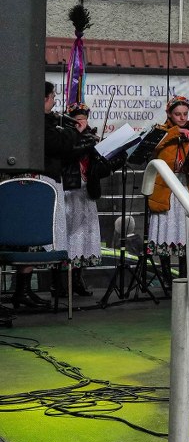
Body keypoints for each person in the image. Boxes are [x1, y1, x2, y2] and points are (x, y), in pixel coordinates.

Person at [12, 84, 86, 310]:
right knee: (33, 236)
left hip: (48, 179)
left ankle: (24, 290)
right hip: (40, 182)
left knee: (35, 238)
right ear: (44, 98)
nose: (55, 101)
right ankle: (22, 291)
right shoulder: (38, 123)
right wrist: (76, 131)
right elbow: (57, 144)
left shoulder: (45, 121)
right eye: (53, 97)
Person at [60, 104, 126, 297]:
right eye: (77, 119)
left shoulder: (91, 138)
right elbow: (65, 157)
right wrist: (83, 141)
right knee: (67, 236)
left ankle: (77, 279)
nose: (81, 122)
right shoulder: (65, 137)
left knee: (83, 237)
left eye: (84, 119)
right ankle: (61, 283)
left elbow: (98, 170)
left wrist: (113, 158)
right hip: (69, 191)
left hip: (86, 192)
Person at [146, 95, 189, 287]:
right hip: (167, 188)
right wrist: (176, 132)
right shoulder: (161, 131)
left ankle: (185, 276)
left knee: (186, 231)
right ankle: (166, 277)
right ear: (169, 114)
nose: (182, 118)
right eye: (177, 114)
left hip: (187, 186)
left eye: (185, 114)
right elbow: (154, 147)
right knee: (166, 230)